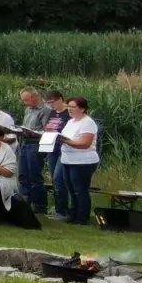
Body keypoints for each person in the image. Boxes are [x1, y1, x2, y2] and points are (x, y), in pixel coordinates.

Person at [58, 97, 100, 227]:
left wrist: (64, 141)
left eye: (73, 107)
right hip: (68, 159)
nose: (70, 109)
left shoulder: (87, 123)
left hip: (83, 161)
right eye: (68, 106)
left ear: (82, 109)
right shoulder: (71, 122)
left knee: (80, 189)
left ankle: (82, 217)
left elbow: (84, 143)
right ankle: (73, 213)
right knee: (71, 188)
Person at [14, 87, 50, 210]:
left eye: (26, 100)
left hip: (36, 144)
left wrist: (33, 133)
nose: (25, 103)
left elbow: (47, 130)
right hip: (24, 142)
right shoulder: (28, 109)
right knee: (23, 174)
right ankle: (25, 201)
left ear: (35, 97)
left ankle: (39, 204)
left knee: (35, 175)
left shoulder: (46, 110)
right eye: (23, 100)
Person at [40, 90, 73, 222]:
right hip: (51, 149)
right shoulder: (53, 113)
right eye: (47, 103)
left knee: (59, 179)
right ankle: (58, 207)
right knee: (54, 180)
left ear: (60, 99)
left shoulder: (68, 113)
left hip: (63, 150)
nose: (50, 105)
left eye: (52, 102)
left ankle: (63, 210)